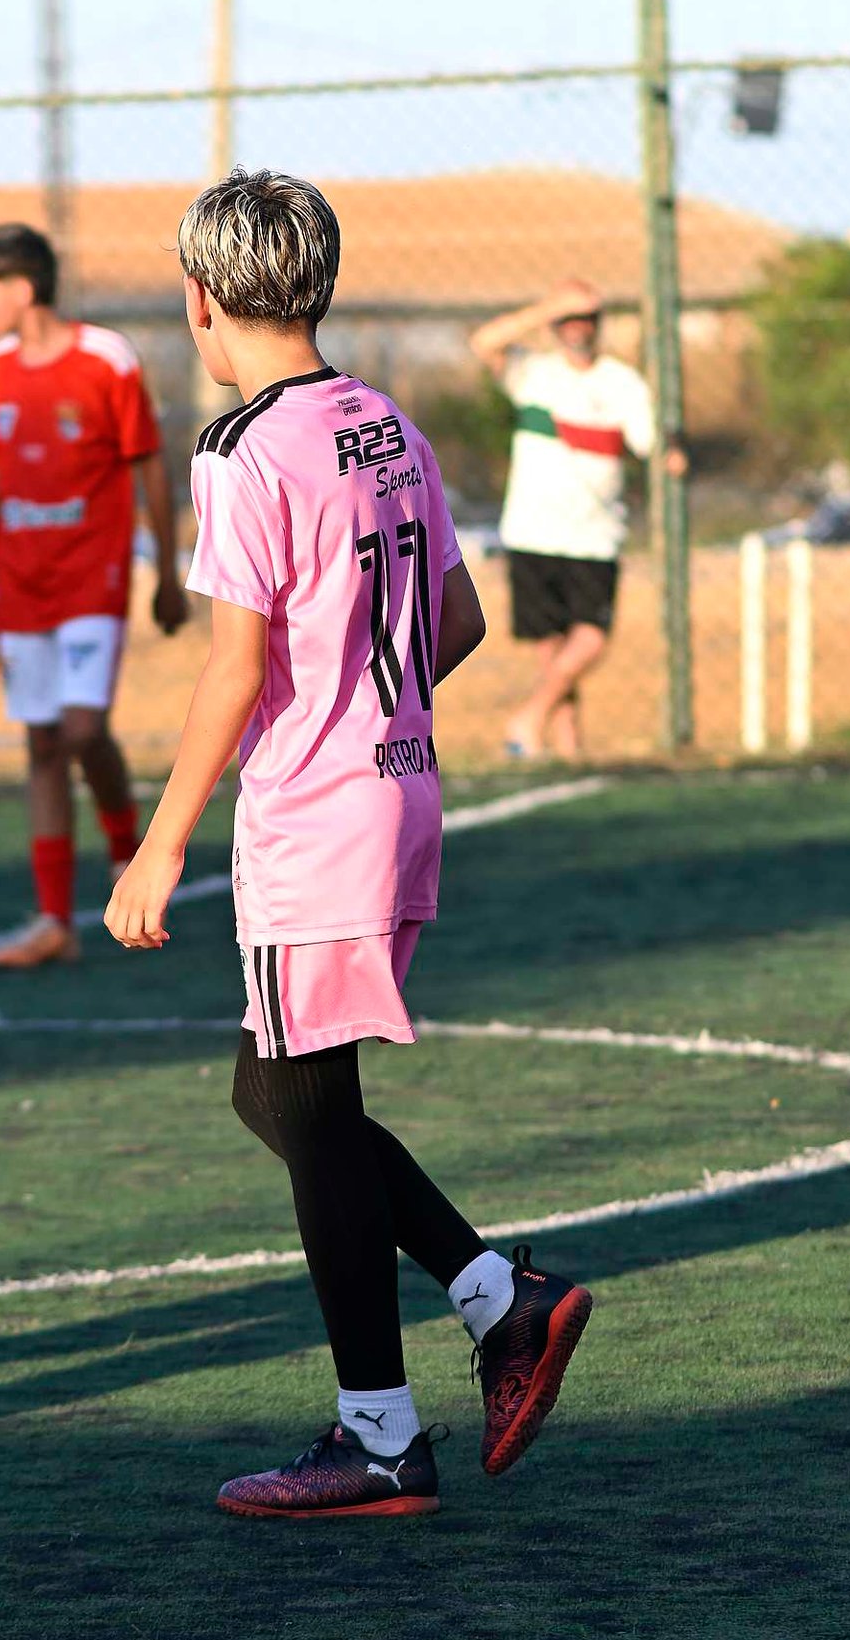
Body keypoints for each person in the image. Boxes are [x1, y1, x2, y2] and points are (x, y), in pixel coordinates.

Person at [106, 167, 592, 1520]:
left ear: (200, 300)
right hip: (400, 791)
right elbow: (460, 621)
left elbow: (232, 668)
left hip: (314, 816)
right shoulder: (384, 420)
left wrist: (159, 843)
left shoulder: (241, 448)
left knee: (309, 1115)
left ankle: (380, 1434)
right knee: (279, 1099)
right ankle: (494, 1297)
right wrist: (374, 711)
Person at [0, 222, 189, 970]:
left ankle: (126, 852)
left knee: (83, 729)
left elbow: (147, 464)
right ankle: (55, 920)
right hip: (21, 585)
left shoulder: (106, 358)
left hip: (93, 576)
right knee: (42, 743)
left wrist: (167, 571)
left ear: (22, 289)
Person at [469, 278, 687, 762]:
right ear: (555, 324)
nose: (578, 327)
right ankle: (569, 748)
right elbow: (484, 343)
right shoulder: (533, 373)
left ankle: (528, 718)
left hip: (595, 535)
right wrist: (548, 305)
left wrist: (672, 453)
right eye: (568, 319)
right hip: (533, 531)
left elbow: (651, 440)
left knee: (590, 640)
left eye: (587, 317)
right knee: (551, 651)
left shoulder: (621, 383)